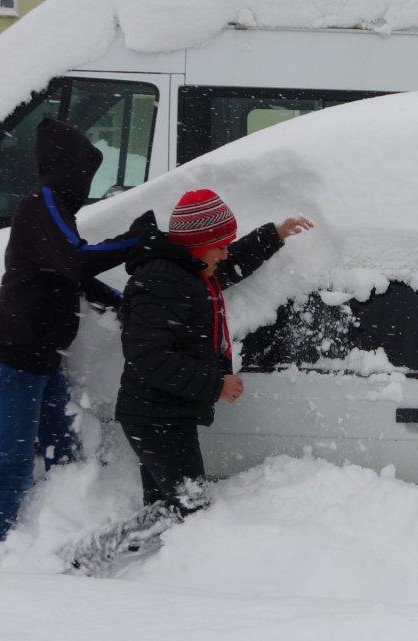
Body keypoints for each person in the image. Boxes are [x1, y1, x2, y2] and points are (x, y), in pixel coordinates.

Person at [0, 117, 156, 556]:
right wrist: (133, 241)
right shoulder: (42, 204)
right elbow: (77, 262)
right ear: (66, 167)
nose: (87, 181)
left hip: (42, 356)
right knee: (16, 463)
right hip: (16, 356)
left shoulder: (53, 208)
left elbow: (67, 275)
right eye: (85, 171)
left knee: (66, 451)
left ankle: (55, 532)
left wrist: (120, 302)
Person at [115, 189, 312, 518]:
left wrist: (274, 235)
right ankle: (95, 552)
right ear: (196, 244)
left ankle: (120, 556)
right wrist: (215, 384)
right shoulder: (163, 280)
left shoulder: (190, 271)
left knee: (167, 509)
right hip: (155, 418)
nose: (223, 254)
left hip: (162, 412)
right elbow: (149, 356)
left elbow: (233, 262)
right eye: (219, 246)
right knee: (193, 510)